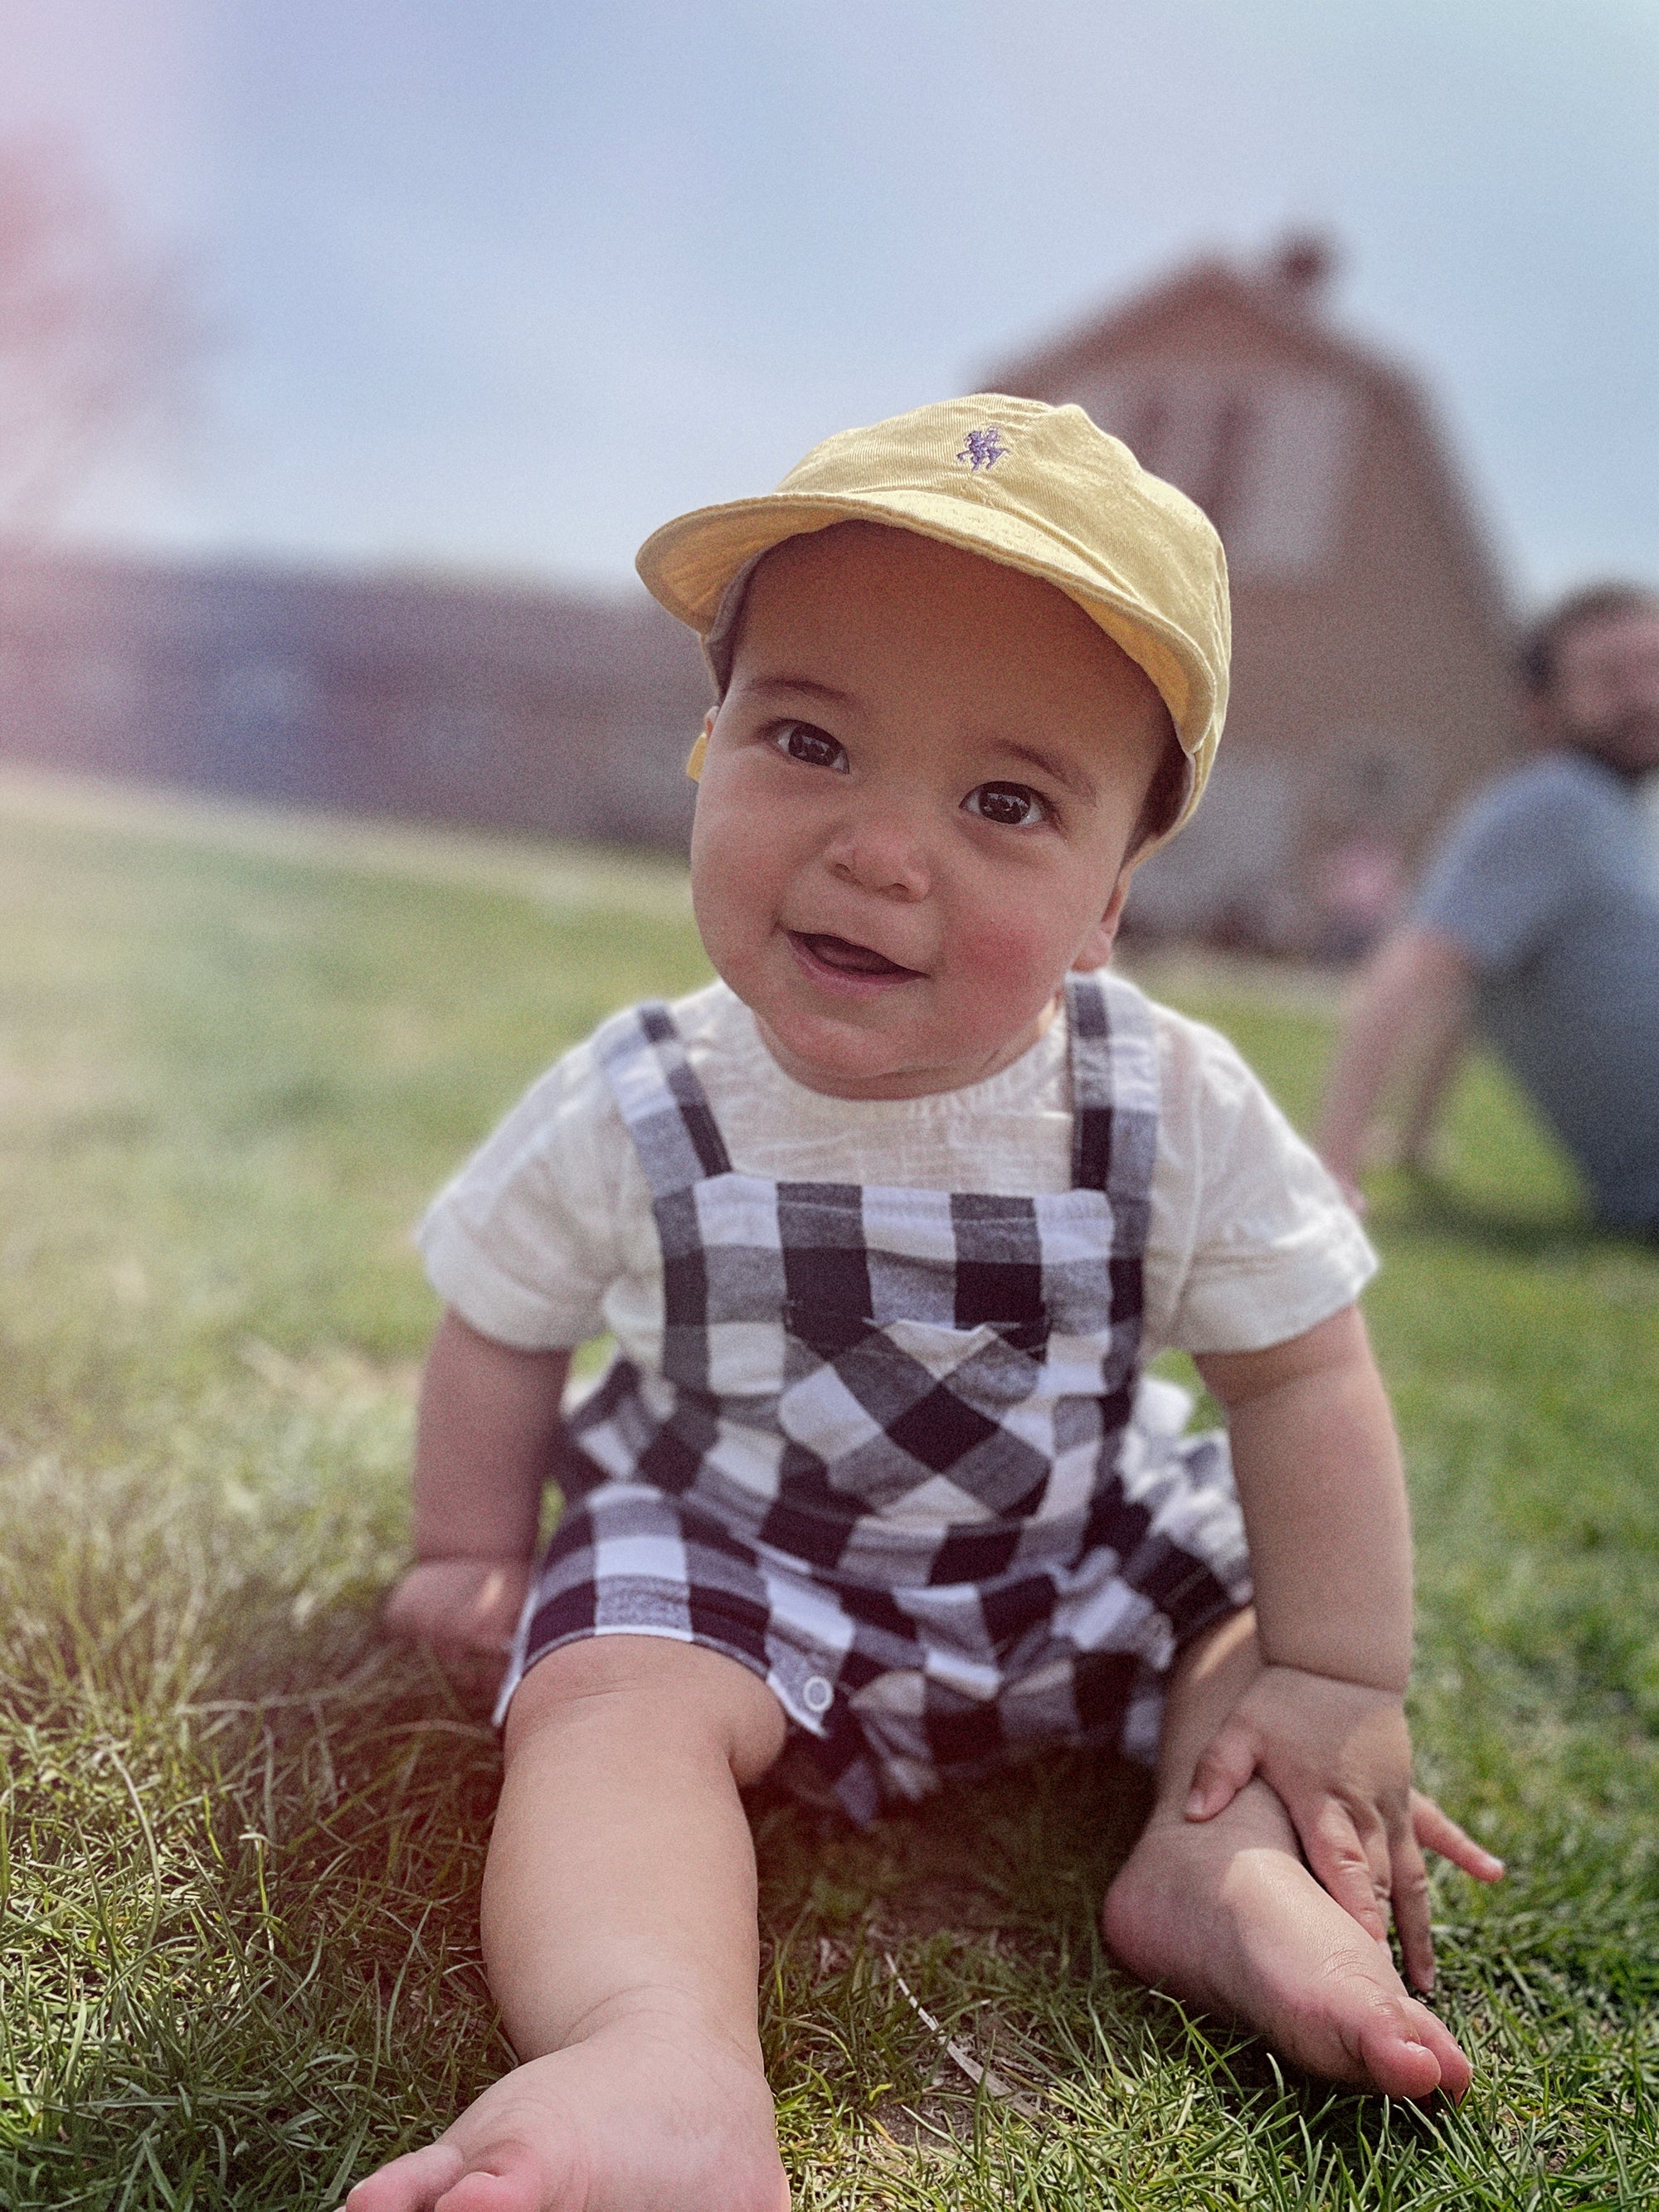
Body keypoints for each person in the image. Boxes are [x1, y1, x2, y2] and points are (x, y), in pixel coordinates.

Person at [348, 397, 1501, 2212]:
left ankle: (1215, 1871)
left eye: (1005, 802)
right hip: (742, 1562)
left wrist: (1335, 1671)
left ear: (1109, 901)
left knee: (1243, 1633)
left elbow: (1298, 1377)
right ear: (707, 748)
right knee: (607, 1687)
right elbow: (501, 1321)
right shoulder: (641, 1095)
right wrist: (467, 1547)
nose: (882, 851)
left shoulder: (1166, 1099)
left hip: (1076, 1552)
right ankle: (654, 2043)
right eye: (808, 741)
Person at [1318, 585, 1659, 1232]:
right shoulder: (1554, 801)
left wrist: (1415, 1138)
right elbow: (1409, 969)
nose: (1644, 696)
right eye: (1609, 679)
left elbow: (1474, 988)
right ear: (1539, 708)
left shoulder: (1612, 815)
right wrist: (1331, 1171)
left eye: (1654, 668)